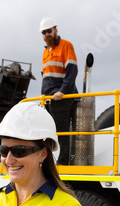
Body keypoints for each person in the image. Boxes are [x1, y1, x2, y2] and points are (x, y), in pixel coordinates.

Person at [40, 16, 79, 165]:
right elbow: (45, 75)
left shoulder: (66, 45)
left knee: (61, 131)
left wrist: (62, 91)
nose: (47, 35)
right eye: (44, 32)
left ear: (56, 30)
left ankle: (63, 161)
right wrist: (42, 96)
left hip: (61, 97)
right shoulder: (45, 51)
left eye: (49, 31)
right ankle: (50, 159)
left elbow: (72, 70)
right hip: (49, 97)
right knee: (49, 131)